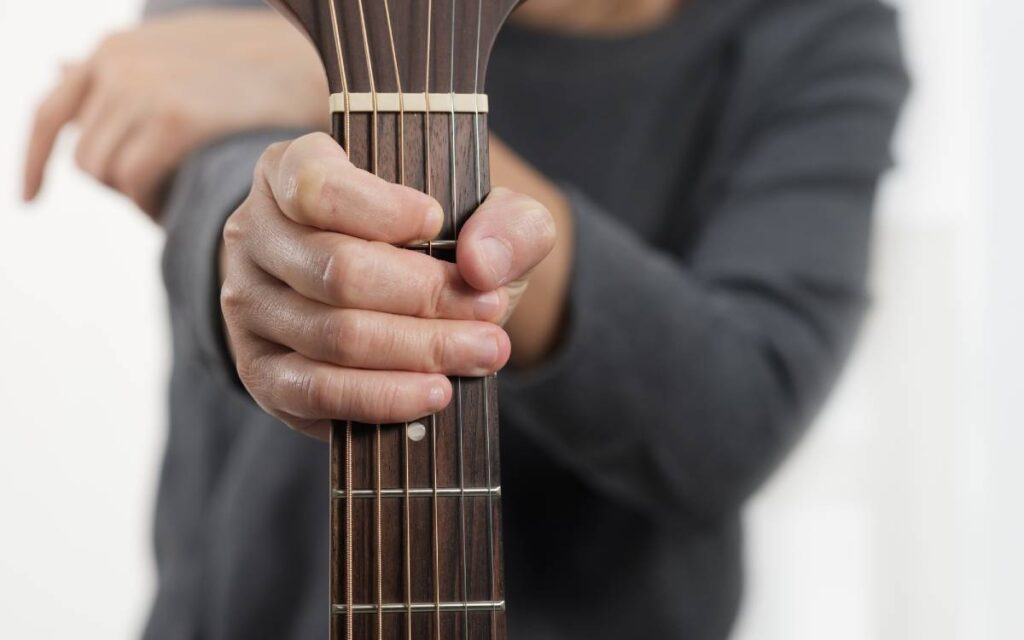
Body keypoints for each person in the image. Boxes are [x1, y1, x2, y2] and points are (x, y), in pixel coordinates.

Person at [23, 0, 908, 637]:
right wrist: (265, 257)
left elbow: (738, 408)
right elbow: (218, 183)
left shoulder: (819, 27)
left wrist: (321, 81)